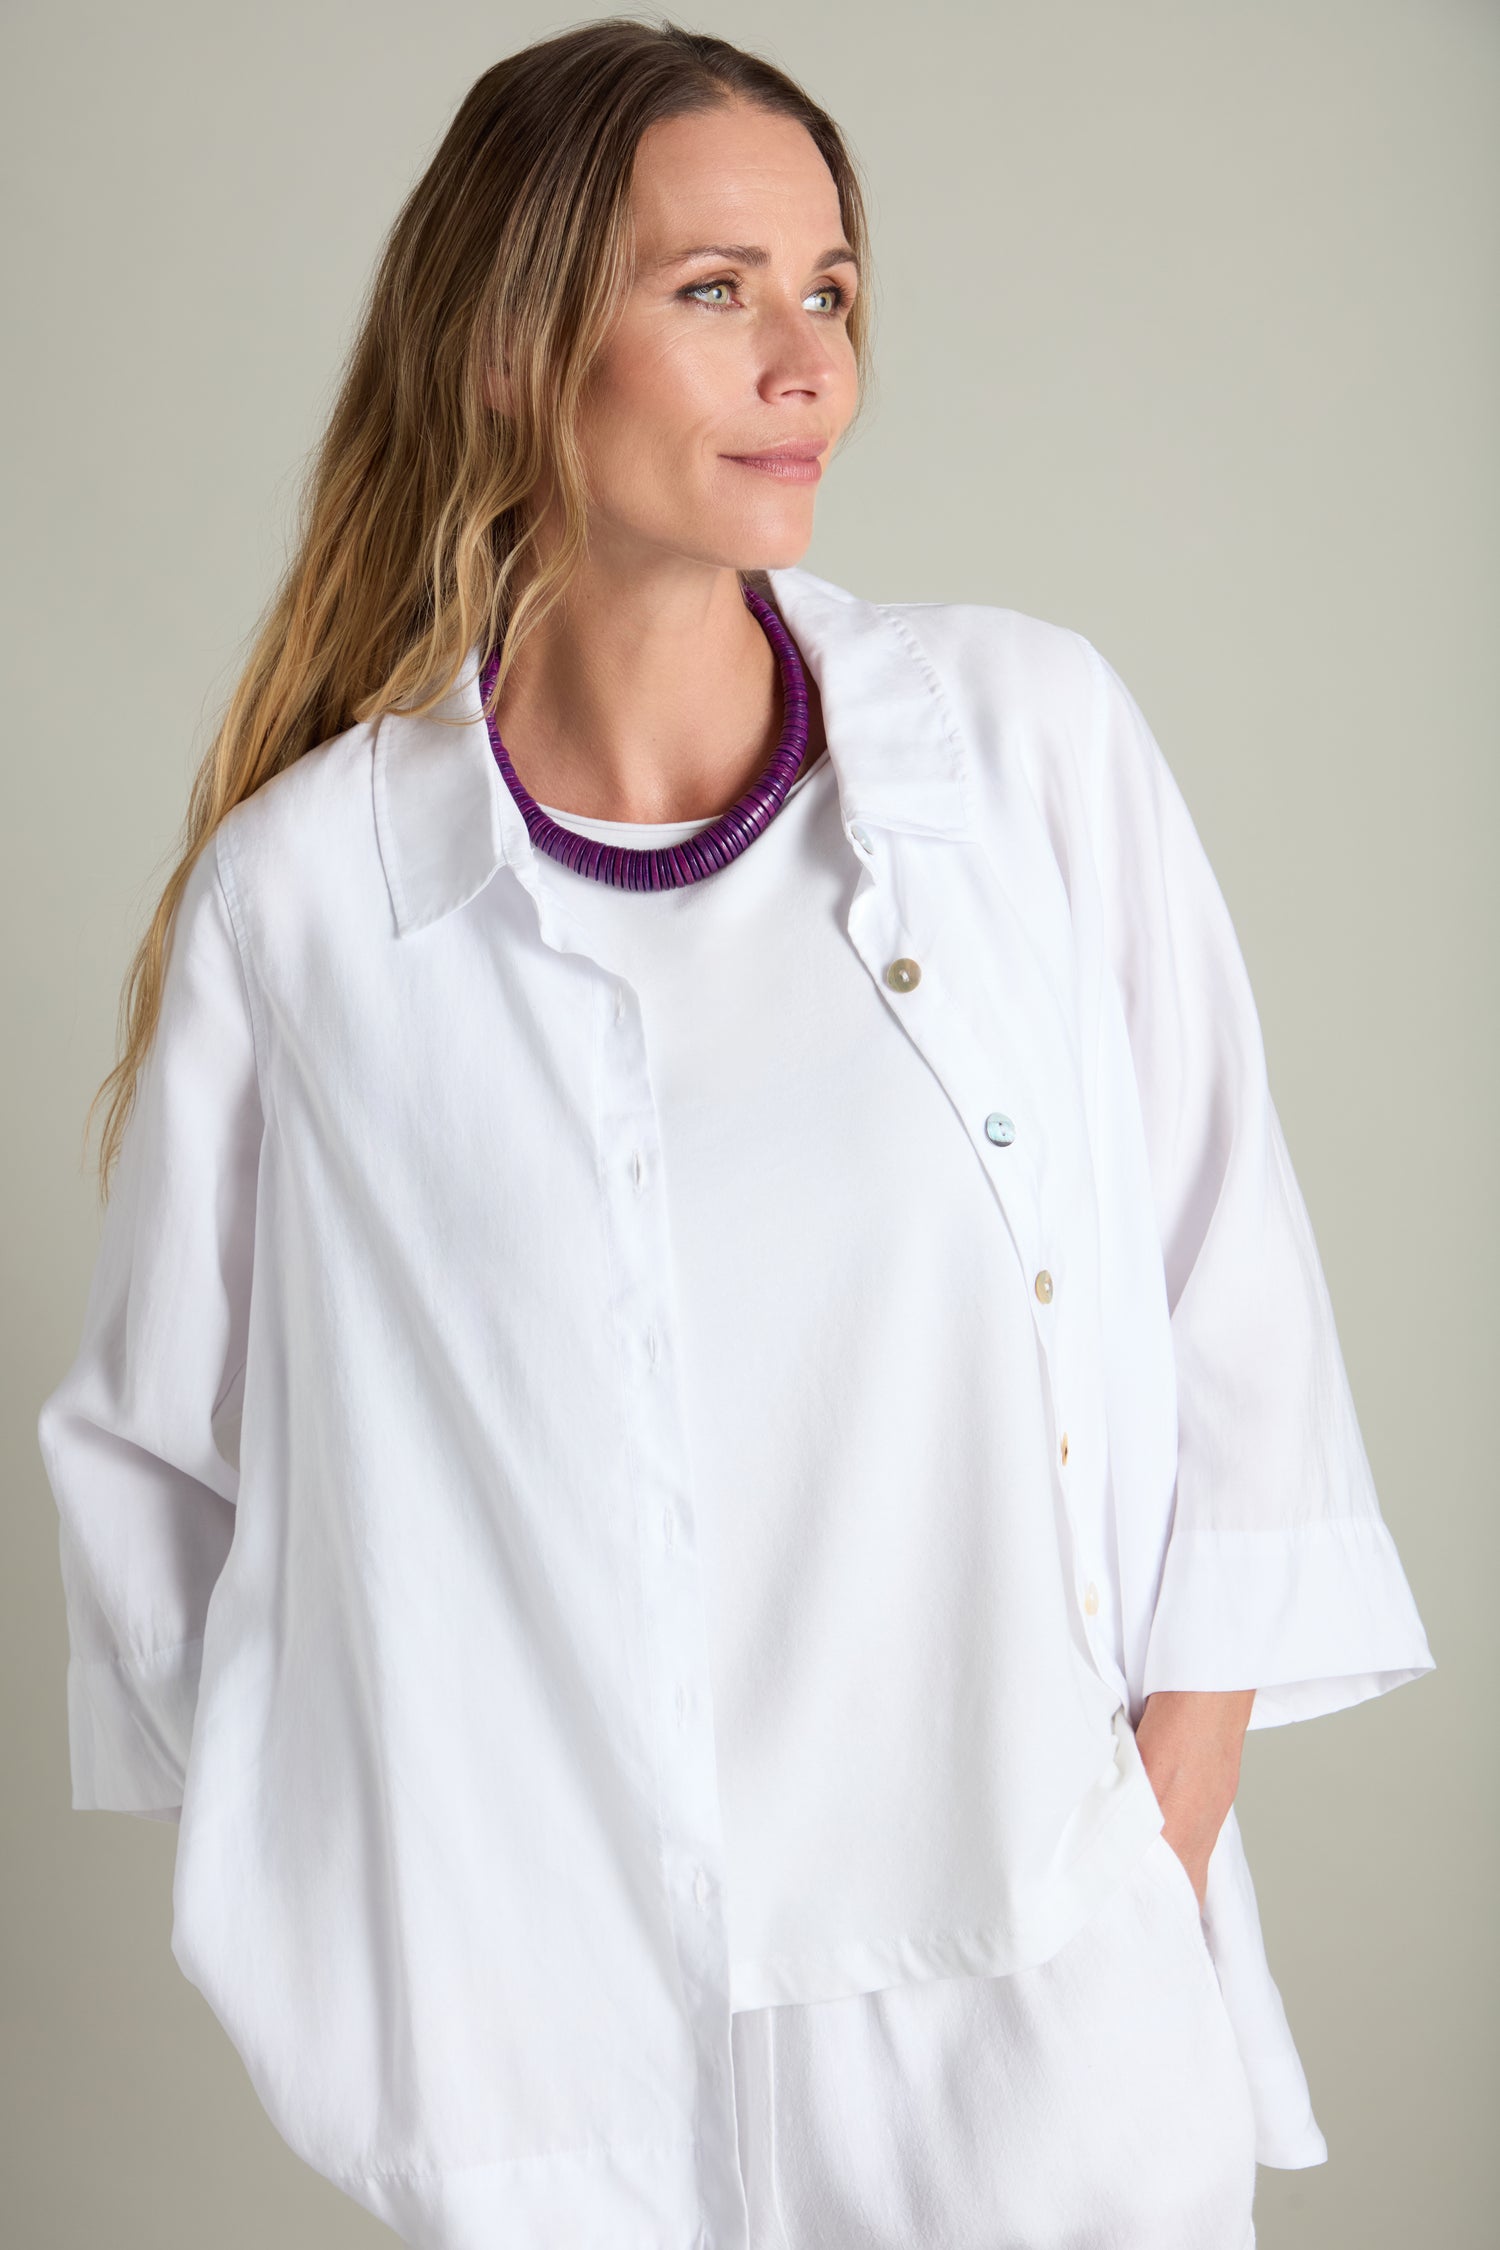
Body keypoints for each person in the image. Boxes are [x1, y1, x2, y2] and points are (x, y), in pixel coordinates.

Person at [36, 19, 1435, 2250]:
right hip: (576, 2091)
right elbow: (155, 1478)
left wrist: (1138, 1878)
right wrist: (416, 1969)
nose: (806, 362)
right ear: (511, 348)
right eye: (714, 291)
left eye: (833, 288)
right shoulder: (312, 904)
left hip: (1040, 2028)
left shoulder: (1028, 751)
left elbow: (1232, 1313)